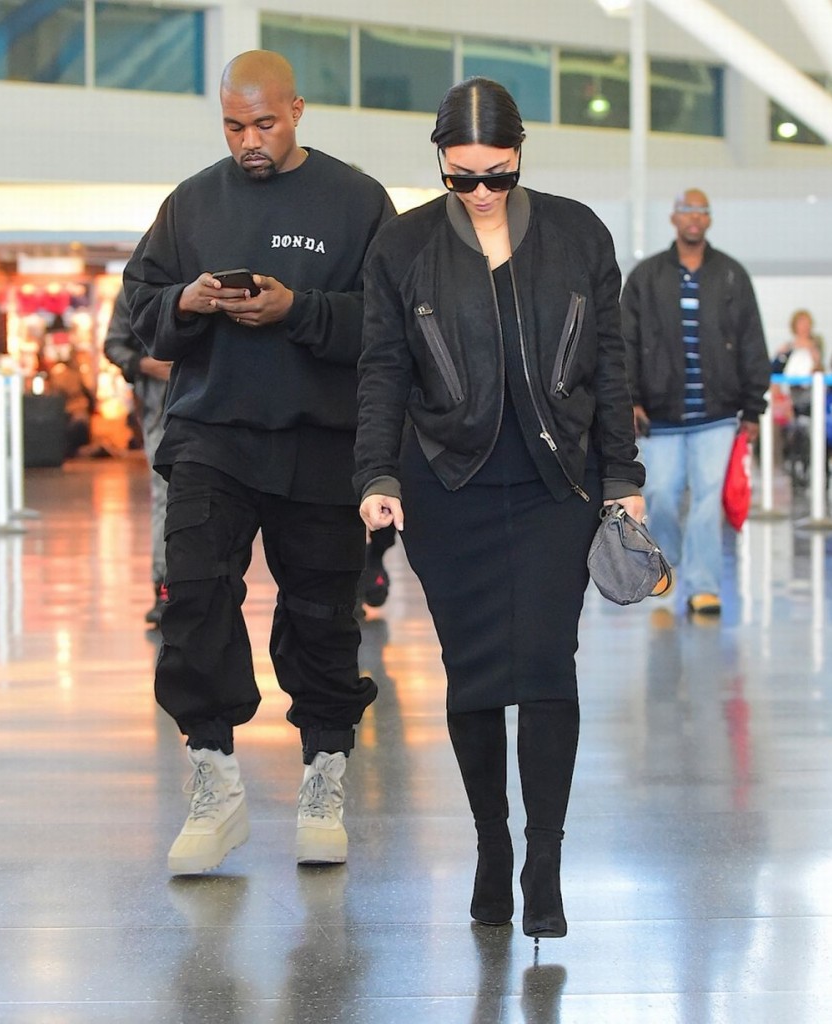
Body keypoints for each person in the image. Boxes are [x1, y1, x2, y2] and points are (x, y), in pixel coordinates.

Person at [355, 77, 645, 940]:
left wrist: (621, 474)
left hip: (561, 483)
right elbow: (381, 371)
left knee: (549, 667)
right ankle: (489, 845)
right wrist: (377, 475)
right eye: (461, 177)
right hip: (448, 484)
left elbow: (608, 358)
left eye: (497, 174)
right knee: (474, 672)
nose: (480, 191)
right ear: (439, 162)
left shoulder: (577, 232)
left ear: (521, 154)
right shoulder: (400, 249)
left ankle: (543, 860)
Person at [123, 50, 395, 875]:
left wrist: (297, 309)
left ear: (298, 110)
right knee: (193, 596)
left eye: (264, 123)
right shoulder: (191, 202)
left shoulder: (356, 201)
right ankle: (213, 778)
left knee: (321, 613)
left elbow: (390, 326)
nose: (249, 140)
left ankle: (323, 776)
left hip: (320, 440)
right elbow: (140, 309)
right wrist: (186, 301)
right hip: (211, 435)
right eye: (234, 125)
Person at [621, 189, 770, 617]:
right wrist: (629, 400)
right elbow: (624, 342)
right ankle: (667, 568)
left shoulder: (730, 275)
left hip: (717, 413)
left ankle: (704, 587)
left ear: (708, 220)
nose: (693, 218)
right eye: (686, 210)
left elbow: (751, 341)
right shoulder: (647, 277)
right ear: (673, 218)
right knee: (663, 494)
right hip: (661, 413)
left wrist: (754, 406)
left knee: (707, 501)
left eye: (701, 211)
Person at [103, 287, 172, 625]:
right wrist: (146, 365)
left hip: (221, 409)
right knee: (165, 497)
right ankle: (164, 589)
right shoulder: (138, 285)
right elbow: (113, 344)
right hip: (160, 412)